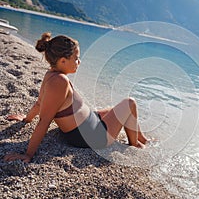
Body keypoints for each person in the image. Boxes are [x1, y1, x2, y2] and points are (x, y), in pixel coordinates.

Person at [4, 32, 149, 163]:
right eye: (76, 58)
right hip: (93, 138)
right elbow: (44, 121)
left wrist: (26, 119)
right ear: (62, 61)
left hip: (89, 124)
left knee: (116, 110)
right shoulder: (59, 82)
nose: (79, 62)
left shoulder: (51, 75)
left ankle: (142, 139)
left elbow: (39, 103)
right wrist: (28, 154)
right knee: (130, 103)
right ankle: (135, 144)